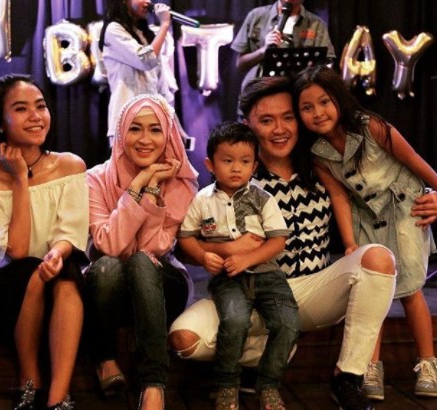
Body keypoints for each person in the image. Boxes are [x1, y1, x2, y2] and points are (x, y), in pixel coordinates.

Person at [169, 76, 397, 410]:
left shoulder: (320, 166)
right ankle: (259, 355)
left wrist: (429, 193)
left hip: (312, 292)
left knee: (379, 258)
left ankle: (347, 377)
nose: (279, 129)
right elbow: (186, 245)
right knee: (185, 339)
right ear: (248, 125)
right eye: (266, 120)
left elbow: (385, 175)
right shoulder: (234, 176)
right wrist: (223, 250)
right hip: (251, 290)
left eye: (287, 117)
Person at [292, 64, 437, 400]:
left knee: (410, 288)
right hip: (364, 216)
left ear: (339, 99)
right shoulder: (318, 153)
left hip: (403, 208)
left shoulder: (371, 126)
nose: (318, 112)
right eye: (307, 107)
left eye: (324, 102)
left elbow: (413, 159)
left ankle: (428, 363)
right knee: (373, 290)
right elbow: (340, 197)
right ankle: (369, 366)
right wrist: (349, 243)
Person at [0, 74, 89, 410]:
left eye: (41, 107)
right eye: (21, 109)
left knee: (68, 273)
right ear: (0, 123)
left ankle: (58, 397)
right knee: (29, 269)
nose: (36, 116)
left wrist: (57, 253)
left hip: (52, 272)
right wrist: (19, 178)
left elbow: (71, 233)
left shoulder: (71, 165)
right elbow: (15, 251)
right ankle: (29, 381)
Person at [85, 94, 198, 409]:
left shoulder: (181, 184)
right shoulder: (95, 179)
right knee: (106, 267)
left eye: (155, 129)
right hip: (109, 292)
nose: (145, 139)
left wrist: (152, 190)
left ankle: (153, 383)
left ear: (168, 134)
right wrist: (140, 185)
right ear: (122, 132)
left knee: (140, 261)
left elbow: (153, 249)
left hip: (161, 286)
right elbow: (109, 245)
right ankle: (105, 359)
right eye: (135, 128)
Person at [178, 121, 299, 410]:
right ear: (210, 164)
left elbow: (278, 241)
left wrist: (247, 258)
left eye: (244, 162)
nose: (236, 168)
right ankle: (227, 385)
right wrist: (202, 256)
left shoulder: (262, 198)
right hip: (227, 278)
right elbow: (185, 237)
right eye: (227, 161)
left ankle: (268, 385)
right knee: (234, 322)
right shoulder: (202, 200)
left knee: (288, 323)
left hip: (268, 275)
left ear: (254, 165)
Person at [99, 0, 178, 145]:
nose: (148, 1)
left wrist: (175, 127)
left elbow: (160, 87)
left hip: (153, 118)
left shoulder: (145, 35)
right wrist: (164, 25)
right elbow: (145, 60)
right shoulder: (113, 30)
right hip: (127, 120)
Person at [231, 0, 335, 94]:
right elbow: (240, 64)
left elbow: (327, 64)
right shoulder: (256, 16)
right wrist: (263, 51)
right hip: (258, 92)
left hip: (299, 93)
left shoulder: (316, 24)